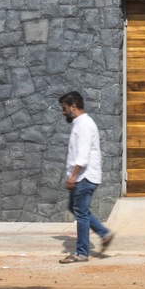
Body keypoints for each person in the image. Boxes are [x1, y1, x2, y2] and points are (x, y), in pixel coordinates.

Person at [59, 90, 113, 263]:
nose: (63, 112)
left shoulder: (84, 125)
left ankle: (82, 253)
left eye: (64, 108)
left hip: (84, 177)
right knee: (75, 208)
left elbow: (82, 156)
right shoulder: (80, 123)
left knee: (81, 213)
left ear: (73, 106)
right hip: (82, 176)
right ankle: (104, 233)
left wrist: (73, 176)